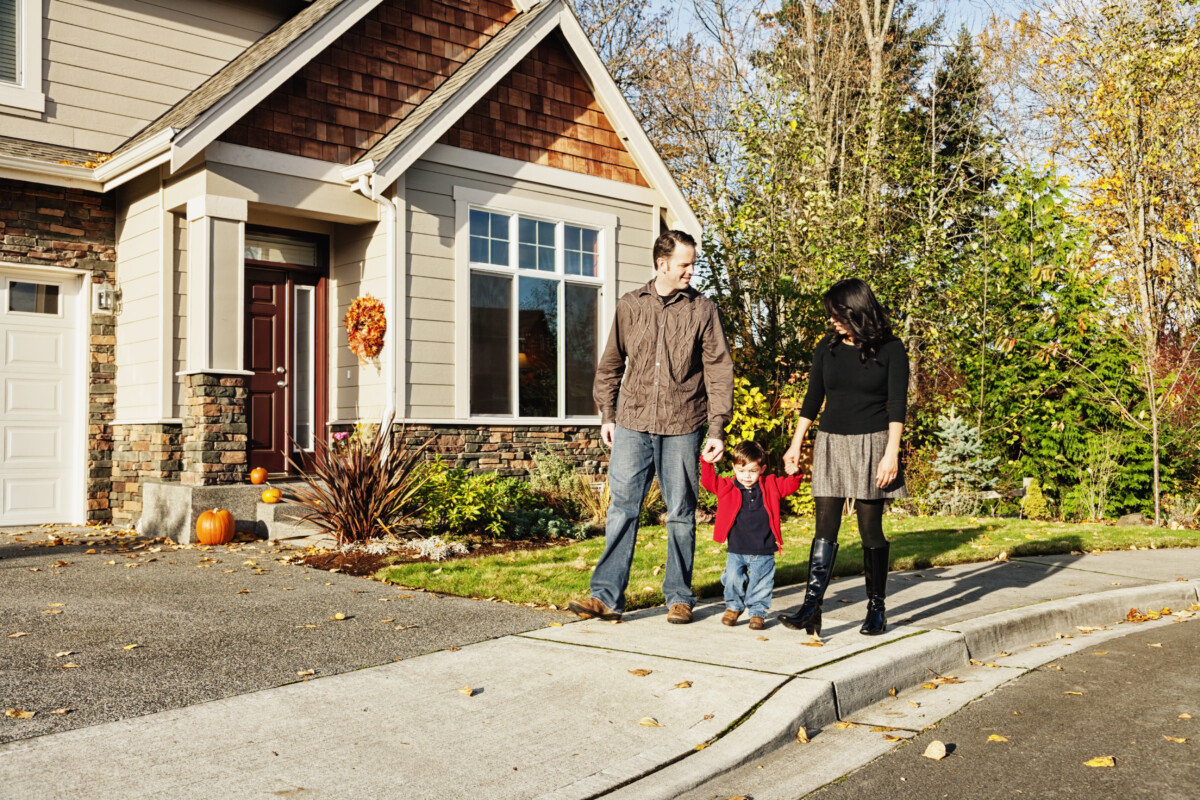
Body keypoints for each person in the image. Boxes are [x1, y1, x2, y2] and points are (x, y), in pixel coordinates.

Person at [569, 229, 734, 624]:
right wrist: (607, 415)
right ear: (662, 264)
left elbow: (719, 370)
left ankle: (679, 596)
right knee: (622, 508)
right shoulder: (630, 305)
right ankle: (607, 598)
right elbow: (611, 364)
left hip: (683, 423)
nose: (691, 271)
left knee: (680, 510)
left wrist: (717, 428)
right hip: (632, 421)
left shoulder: (703, 310)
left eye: (692, 264)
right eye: (684, 264)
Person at [778, 278, 909, 637]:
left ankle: (876, 608)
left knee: (870, 529)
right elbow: (812, 397)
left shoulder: (892, 349)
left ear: (856, 311)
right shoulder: (828, 347)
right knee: (825, 528)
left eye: (837, 314)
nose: (832, 321)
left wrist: (891, 454)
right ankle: (811, 607)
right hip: (831, 442)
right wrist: (796, 443)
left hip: (873, 444)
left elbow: (897, 405)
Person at [701, 440, 803, 630]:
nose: (746, 476)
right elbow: (708, 482)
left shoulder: (771, 484)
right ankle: (733, 607)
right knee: (732, 579)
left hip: (764, 548)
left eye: (752, 471)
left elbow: (791, 485)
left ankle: (757, 612)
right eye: (741, 471)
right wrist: (707, 463)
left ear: (762, 468)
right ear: (734, 468)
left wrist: (795, 473)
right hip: (737, 547)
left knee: (761, 583)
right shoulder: (727, 487)